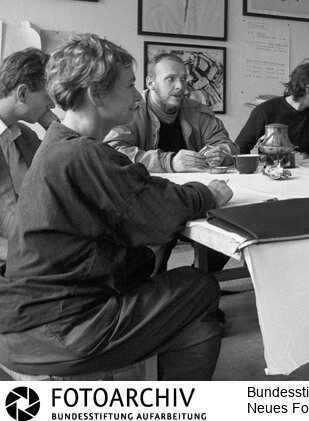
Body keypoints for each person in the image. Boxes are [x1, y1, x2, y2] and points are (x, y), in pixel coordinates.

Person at [0, 34, 234, 380]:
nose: (136, 97)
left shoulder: (58, 144)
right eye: (129, 86)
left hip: (32, 318)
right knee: (199, 285)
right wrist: (209, 194)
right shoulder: (83, 154)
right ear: (96, 94)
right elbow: (161, 210)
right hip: (60, 327)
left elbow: (140, 194)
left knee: (195, 321)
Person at [105, 52, 238, 173]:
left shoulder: (199, 112)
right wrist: (169, 162)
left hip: (193, 190)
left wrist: (221, 152)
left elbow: (232, 148)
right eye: (170, 78)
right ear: (150, 83)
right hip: (146, 191)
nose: (180, 86)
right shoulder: (130, 110)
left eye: (184, 79)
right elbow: (112, 153)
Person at [0, 48, 59, 262]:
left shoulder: (23, 135)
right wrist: (24, 256)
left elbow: (63, 169)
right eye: (48, 96)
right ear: (23, 93)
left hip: (29, 249)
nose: (53, 104)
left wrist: (54, 126)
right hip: (15, 262)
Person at [236, 62, 309, 159]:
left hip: (308, 172)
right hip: (271, 171)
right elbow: (240, 148)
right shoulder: (265, 111)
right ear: (308, 88)